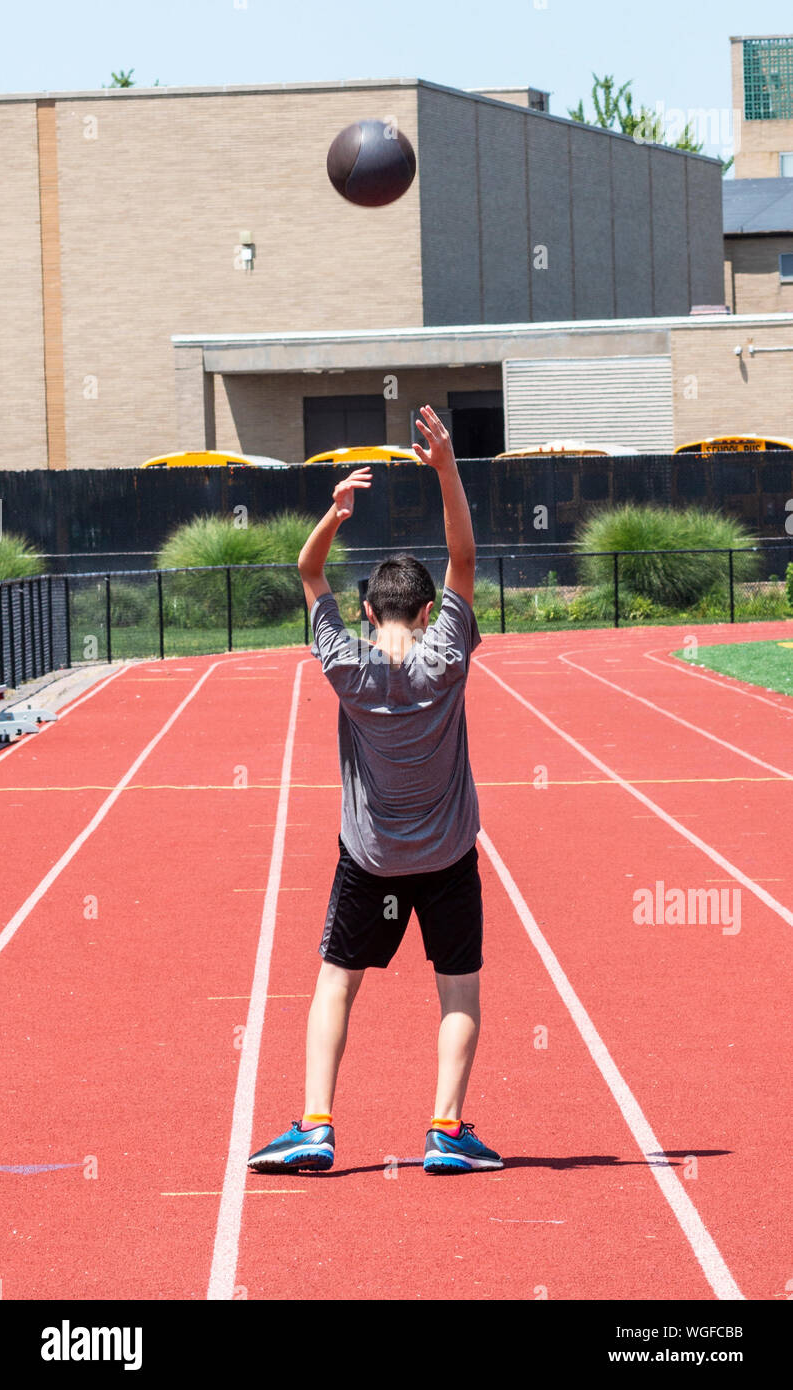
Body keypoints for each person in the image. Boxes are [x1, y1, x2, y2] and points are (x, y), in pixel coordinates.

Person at [247, 405, 502, 1175]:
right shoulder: (447, 651)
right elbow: (463, 555)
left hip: (371, 863)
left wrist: (333, 511)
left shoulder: (345, 666)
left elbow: (307, 570)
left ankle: (317, 1126)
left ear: (365, 612)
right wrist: (448, 469)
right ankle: (445, 1131)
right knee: (457, 992)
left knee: (336, 985)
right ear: (429, 613)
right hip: (449, 857)